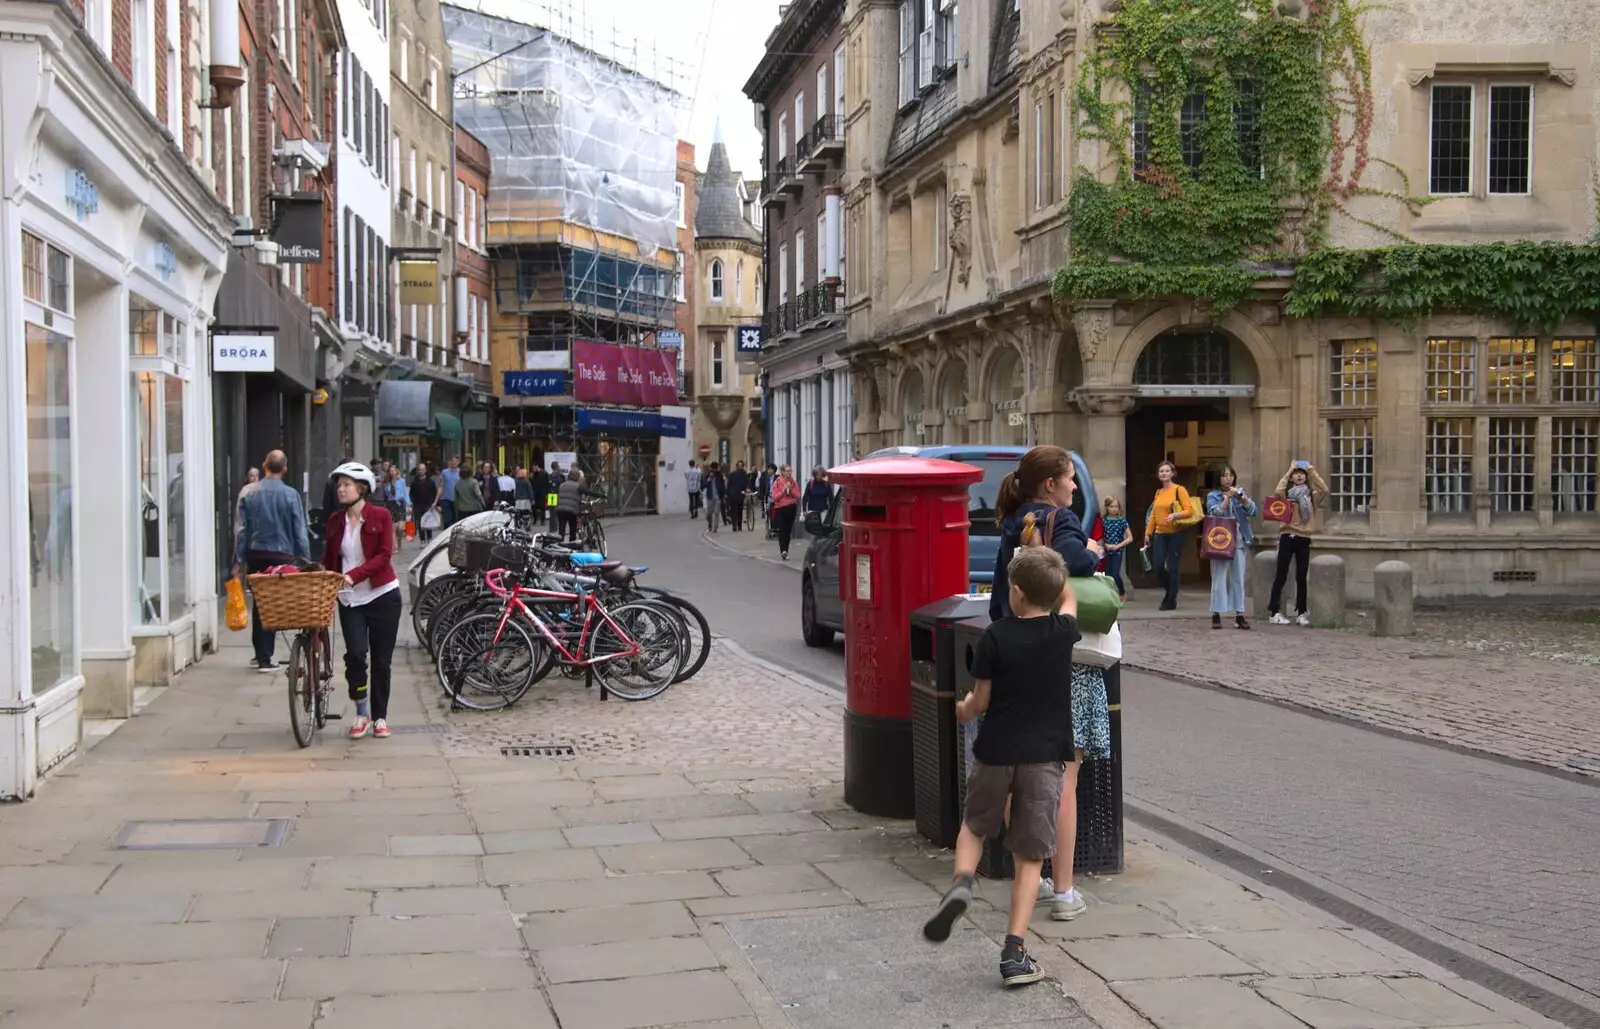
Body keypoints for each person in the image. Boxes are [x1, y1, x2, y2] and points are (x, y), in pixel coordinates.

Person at [923, 546, 1080, 988]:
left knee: (975, 825)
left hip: (996, 750)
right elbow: (1069, 599)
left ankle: (961, 882)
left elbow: (982, 699)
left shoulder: (995, 635)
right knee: (1030, 855)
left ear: (1014, 591)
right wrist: (1057, 570)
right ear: (1050, 593)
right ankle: (1014, 952)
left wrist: (964, 710)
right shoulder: (1063, 631)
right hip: (1044, 756)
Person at [988, 445, 1109, 923]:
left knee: (1021, 779)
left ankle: (1031, 878)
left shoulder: (1012, 525)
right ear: (1051, 485)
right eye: (1070, 479)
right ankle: (1063, 893)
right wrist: (1097, 551)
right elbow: (1077, 564)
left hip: (1017, 660)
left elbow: (1002, 597)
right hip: (1065, 665)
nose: (1075, 487)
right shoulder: (1064, 523)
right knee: (1063, 783)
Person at [321, 463, 401, 740]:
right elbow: (330, 559)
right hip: (349, 599)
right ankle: (361, 712)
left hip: (383, 596)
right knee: (355, 655)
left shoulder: (381, 515)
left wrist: (353, 575)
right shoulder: (334, 521)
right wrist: (324, 581)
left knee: (381, 661)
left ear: (362, 488)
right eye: (339, 485)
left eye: (346, 484)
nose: (341, 489)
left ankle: (380, 717)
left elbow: (384, 555)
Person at [233, 450, 310, 673]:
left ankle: (260, 654)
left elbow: (242, 530)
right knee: (274, 604)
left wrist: (238, 560)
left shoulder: (249, 493)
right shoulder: (291, 495)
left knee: (259, 602)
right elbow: (299, 529)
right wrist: (305, 559)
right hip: (280, 554)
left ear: (264, 465)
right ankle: (266, 657)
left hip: (256, 553)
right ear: (284, 469)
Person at [1268, 461, 1328, 626]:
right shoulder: (1286, 496)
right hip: (1287, 536)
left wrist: (1311, 470)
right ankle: (1274, 612)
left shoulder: (1311, 497)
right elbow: (1278, 490)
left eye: (1302, 473)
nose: (1299, 475)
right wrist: (1289, 471)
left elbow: (1324, 489)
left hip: (1303, 538)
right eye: (1297, 473)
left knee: (1301, 576)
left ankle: (1301, 612)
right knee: (1281, 574)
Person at [1206, 467, 1257, 630]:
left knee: (1238, 579)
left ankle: (1240, 615)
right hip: (1220, 540)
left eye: (1230, 475)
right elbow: (1215, 512)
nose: (1228, 479)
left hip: (1239, 540)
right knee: (1219, 578)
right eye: (1224, 476)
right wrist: (1226, 499)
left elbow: (1253, 511)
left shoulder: (1239, 493)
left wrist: (1243, 499)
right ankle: (1216, 613)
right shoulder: (1212, 495)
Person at [1142, 460, 1194, 611]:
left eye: (1167, 471)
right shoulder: (1158, 492)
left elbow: (1189, 510)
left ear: (1172, 473)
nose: (1164, 473)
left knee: (1173, 566)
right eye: (1161, 471)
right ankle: (1170, 592)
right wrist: (1148, 533)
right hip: (1160, 533)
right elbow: (1153, 514)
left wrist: (1175, 516)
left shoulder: (1179, 490)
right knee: (1158, 565)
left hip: (1176, 533)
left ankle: (1170, 599)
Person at [1099, 496, 1132, 600]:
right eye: (1112, 506)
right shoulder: (1103, 521)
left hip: (1117, 551)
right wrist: (1106, 545)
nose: (1114, 509)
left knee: (1115, 574)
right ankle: (1109, 596)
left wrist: (1118, 546)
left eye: (1116, 506)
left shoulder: (1121, 521)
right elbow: (1100, 537)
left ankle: (1122, 593)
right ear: (1107, 507)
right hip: (1106, 551)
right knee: (1108, 575)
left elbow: (1130, 538)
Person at [770, 464, 800, 558]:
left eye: (790, 471)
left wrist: (791, 491)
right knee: (782, 529)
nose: (789, 473)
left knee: (788, 530)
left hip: (791, 507)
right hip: (780, 508)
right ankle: (783, 550)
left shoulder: (793, 482)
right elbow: (774, 498)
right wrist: (783, 491)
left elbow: (798, 496)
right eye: (787, 471)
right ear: (782, 472)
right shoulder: (777, 482)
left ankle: (786, 550)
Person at [383, 465, 411, 552]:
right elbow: (386, 496)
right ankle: (394, 547)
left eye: (393, 470)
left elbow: (405, 493)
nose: (392, 472)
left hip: (400, 504)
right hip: (391, 504)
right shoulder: (386, 483)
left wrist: (408, 505)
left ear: (396, 471)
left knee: (400, 528)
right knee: (392, 528)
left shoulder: (402, 481)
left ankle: (399, 541)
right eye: (390, 471)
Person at [554, 467, 586, 542]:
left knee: (561, 530)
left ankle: (559, 545)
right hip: (572, 510)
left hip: (560, 509)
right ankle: (572, 545)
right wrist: (602, 495)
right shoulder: (578, 486)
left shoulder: (562, 485)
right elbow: (589, 492)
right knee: (572, 529)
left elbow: (558, 496)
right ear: (577, 477)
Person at [410, 463, 439, 542]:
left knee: (428, 521)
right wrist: (412, 502)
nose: (421, 471)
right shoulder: (414, 483)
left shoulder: (430, 482)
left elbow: (434, 492)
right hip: (418, 505)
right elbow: (411, 493)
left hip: (428, 504)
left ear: (425, 470)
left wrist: (435, 503)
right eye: (419, 469)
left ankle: (429, 538)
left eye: (422, 469)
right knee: (420, 522)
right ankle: (422, 539)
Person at [726, 461, 751, 531]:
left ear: (743, 466)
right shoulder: (732, 474)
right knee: (734, 511)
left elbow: (747, 483)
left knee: (740, 510)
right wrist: (727, 494)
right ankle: (734, 525)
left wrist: (747, 489)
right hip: (733, 494)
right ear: (737, 466)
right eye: (739, 465)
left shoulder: (745, 475)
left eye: (741, 465)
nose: (740, 467)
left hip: (741, 495)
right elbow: (729, 485)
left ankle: (739, 525)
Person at [702, 462, 726, 532]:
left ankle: (715, 528)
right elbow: (704, 485)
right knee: (708, 513)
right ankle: (710, 523)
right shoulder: (707, 475)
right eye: (713, 469)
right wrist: (709, 479)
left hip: (718, 497)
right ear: (711, 468)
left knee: (716, 512)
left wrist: (723, 495)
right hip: (710, 497)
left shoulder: (719, 475)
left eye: (715, 469)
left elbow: (723, 486)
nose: (714, 470)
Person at [438, 456, 461, 527]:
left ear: (458, 462)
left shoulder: (460, 472)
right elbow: (441, 486)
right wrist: (437, 501)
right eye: (453, 461)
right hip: (445, 499)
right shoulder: (444, 472)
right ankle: (446, 534)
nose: (454, 463)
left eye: (456, 461)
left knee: (455, 520)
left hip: (457, 499)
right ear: (450, 462)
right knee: (447, 519)